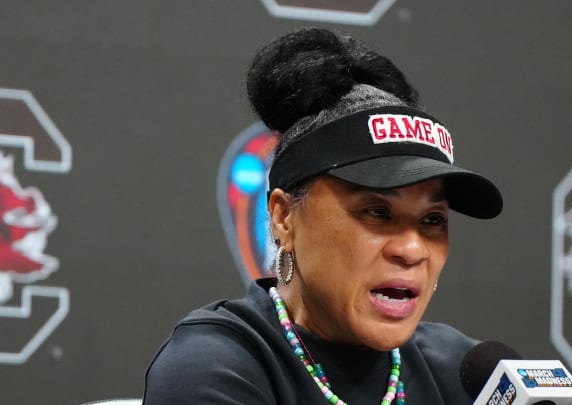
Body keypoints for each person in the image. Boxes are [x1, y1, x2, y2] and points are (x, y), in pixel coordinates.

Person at [142, 27, 502, 404]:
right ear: (283, 217)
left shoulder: (465, 373)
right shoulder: (213, 366)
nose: (413, 250)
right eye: (378, 212)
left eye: (432, 220)